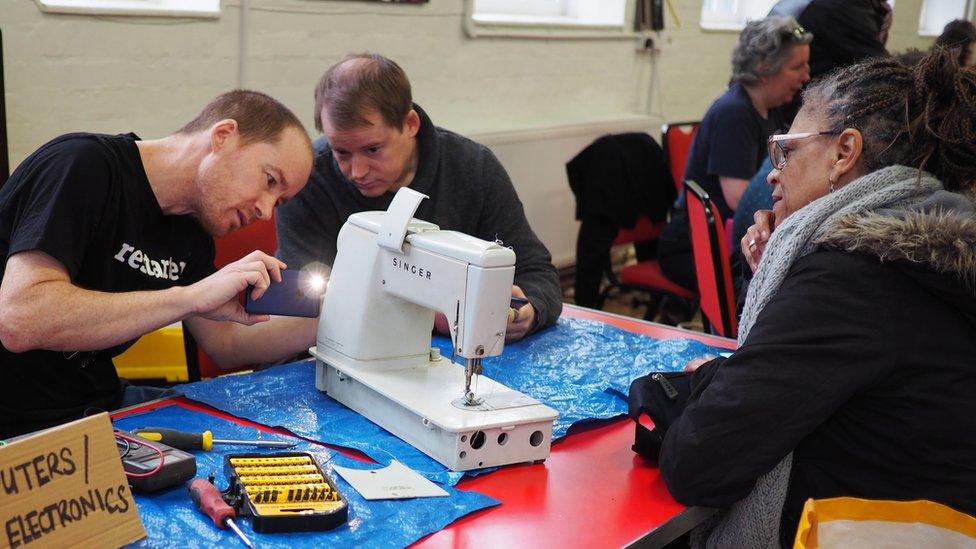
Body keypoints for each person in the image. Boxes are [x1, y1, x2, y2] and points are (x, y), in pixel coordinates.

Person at [659, 48, 976, 547]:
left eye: (786, 150)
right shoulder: (922, 251)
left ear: (844, 153)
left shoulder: (852, 278)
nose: (773, 173)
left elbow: (697, 460)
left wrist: (709, 377)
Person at [0, 90, 318, 439]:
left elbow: (226, 342)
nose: (266, 210)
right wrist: (189, 297)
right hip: (18, 422)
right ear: (223, 136)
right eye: (270, 180)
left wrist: (336, 316)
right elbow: (20, 319)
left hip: (94, 404)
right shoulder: (82, 166)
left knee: (267, 438)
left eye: (280, 200)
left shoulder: (191, 231)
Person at [276, 53, 562, 342]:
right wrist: (433, 317)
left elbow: (535, 271)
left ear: (410, 124)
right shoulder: (309, 179)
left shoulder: (474, 168)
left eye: (373, 149)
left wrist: (530, 311)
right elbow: (295, 302)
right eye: (342, 153)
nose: (357, 171)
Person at [658, 16, 811, 297]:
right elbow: (739, 199)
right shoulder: (735, 113)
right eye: (797, 67)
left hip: (721, 241)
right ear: (764, 68)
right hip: (693, 248)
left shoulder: (770, 110)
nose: (806, 76)